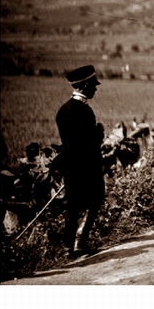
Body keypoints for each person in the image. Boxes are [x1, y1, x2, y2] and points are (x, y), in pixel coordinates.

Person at [55, 65, 105, 257]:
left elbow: (70, 141)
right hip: (88, 166)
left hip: (70, 166)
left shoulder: (63, 110)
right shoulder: (84, 111)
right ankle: (79, 243)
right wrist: (99, 131)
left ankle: (68, 247)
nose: (95, 88)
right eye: (93, 85)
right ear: (84, 86)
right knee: (96, 199)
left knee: (73, 205)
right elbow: (89, 142)